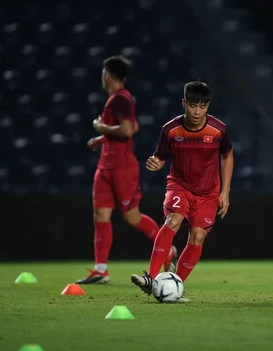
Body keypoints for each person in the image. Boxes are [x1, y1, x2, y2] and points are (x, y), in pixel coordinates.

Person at [76, 56, 176, 285]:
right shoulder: (116, 100)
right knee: (100, 215)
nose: (102, 77)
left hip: (122, 167)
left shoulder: (121, 99)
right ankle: (101, 270)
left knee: (131, 216)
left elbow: (128, 130)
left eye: (103, 74)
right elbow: (133, 125)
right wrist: (102, 138)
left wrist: (100, 126)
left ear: (108, 76)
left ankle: (168, 250)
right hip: (106, 166)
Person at [130, 81, 233, 302]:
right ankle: (151, 278)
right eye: (193, 105)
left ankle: (175, 286)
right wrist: (156, 162)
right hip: (180, 186)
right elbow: (160, 156)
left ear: (208, 106)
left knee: (198, 236)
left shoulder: (218, 130)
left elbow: (227, 155)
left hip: (208, 193)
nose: (197, 112)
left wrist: (225, 192)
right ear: (184, 103)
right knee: (173, 222)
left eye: (203, 106)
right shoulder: (170, 129)